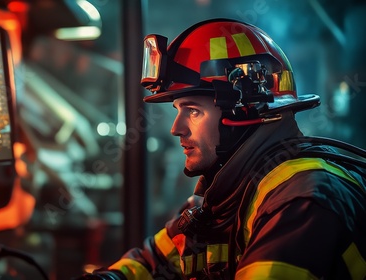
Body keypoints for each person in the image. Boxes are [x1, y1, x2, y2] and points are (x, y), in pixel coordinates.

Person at [77, 18, 366, 279]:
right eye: (179, 109)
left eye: (192, 111)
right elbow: (150, 264)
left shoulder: (301, 198)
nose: (175, 128)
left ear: (242, 110)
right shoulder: (222, 196)